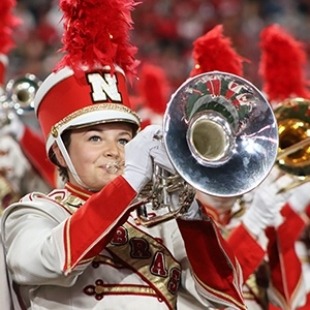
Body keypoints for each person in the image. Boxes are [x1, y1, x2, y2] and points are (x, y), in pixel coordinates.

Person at [0, 0, 252, 309]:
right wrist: (130, 182)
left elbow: (226, 298)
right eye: (94, 138)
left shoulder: (159, 221)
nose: (113, 151)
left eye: (123, 139)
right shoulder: (34, 213)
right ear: (60, 154)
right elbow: (54, 261)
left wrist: (192, 219)